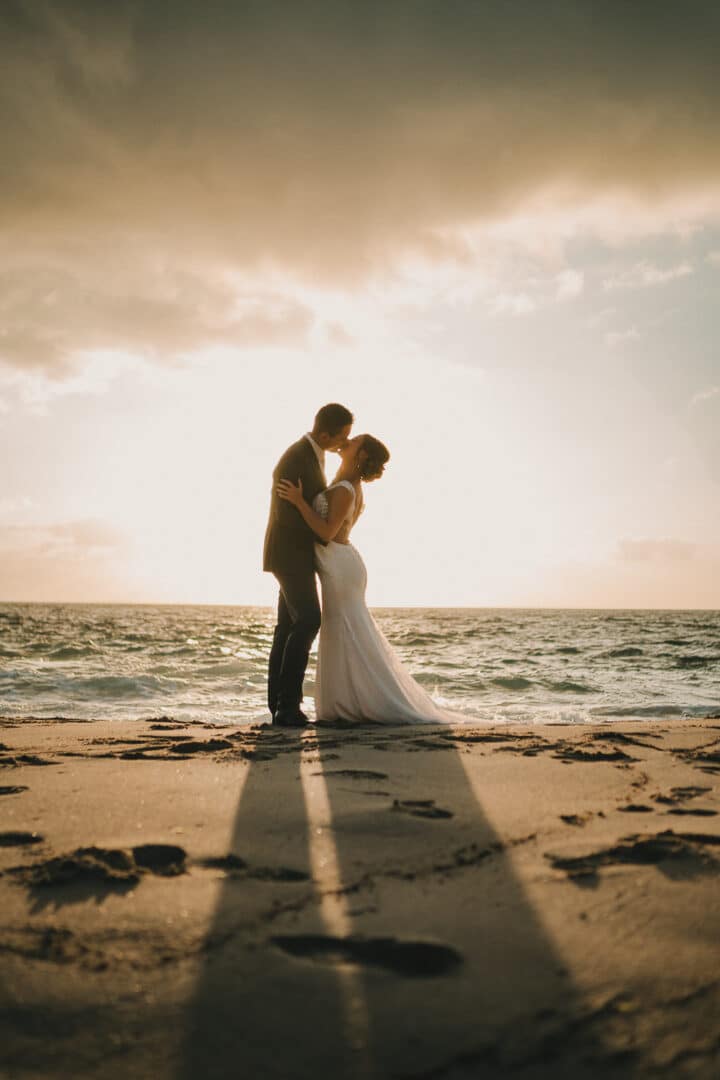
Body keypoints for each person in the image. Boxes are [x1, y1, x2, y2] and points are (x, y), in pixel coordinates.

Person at [277, 434, 463, 724]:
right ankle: (347, 700)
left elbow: (326, 534)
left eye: (354, 441)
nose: (347, 441)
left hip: (338, 565)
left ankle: (356, 702)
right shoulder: (346, 484)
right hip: (339, 563)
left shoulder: (347, 489)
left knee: (345, 629)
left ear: (361, 455)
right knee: (345, 631)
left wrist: (300, 502)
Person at [263, 403, 354, 727]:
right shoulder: (296, 457)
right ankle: (287, 705)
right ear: (325, 433)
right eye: (342, 437)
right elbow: (286, 514)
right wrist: (321, 531)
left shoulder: (315, 455)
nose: (345, 442)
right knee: (309, 620)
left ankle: (280, 705)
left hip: (297, 555)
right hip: (289, 554)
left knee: (287, 627)